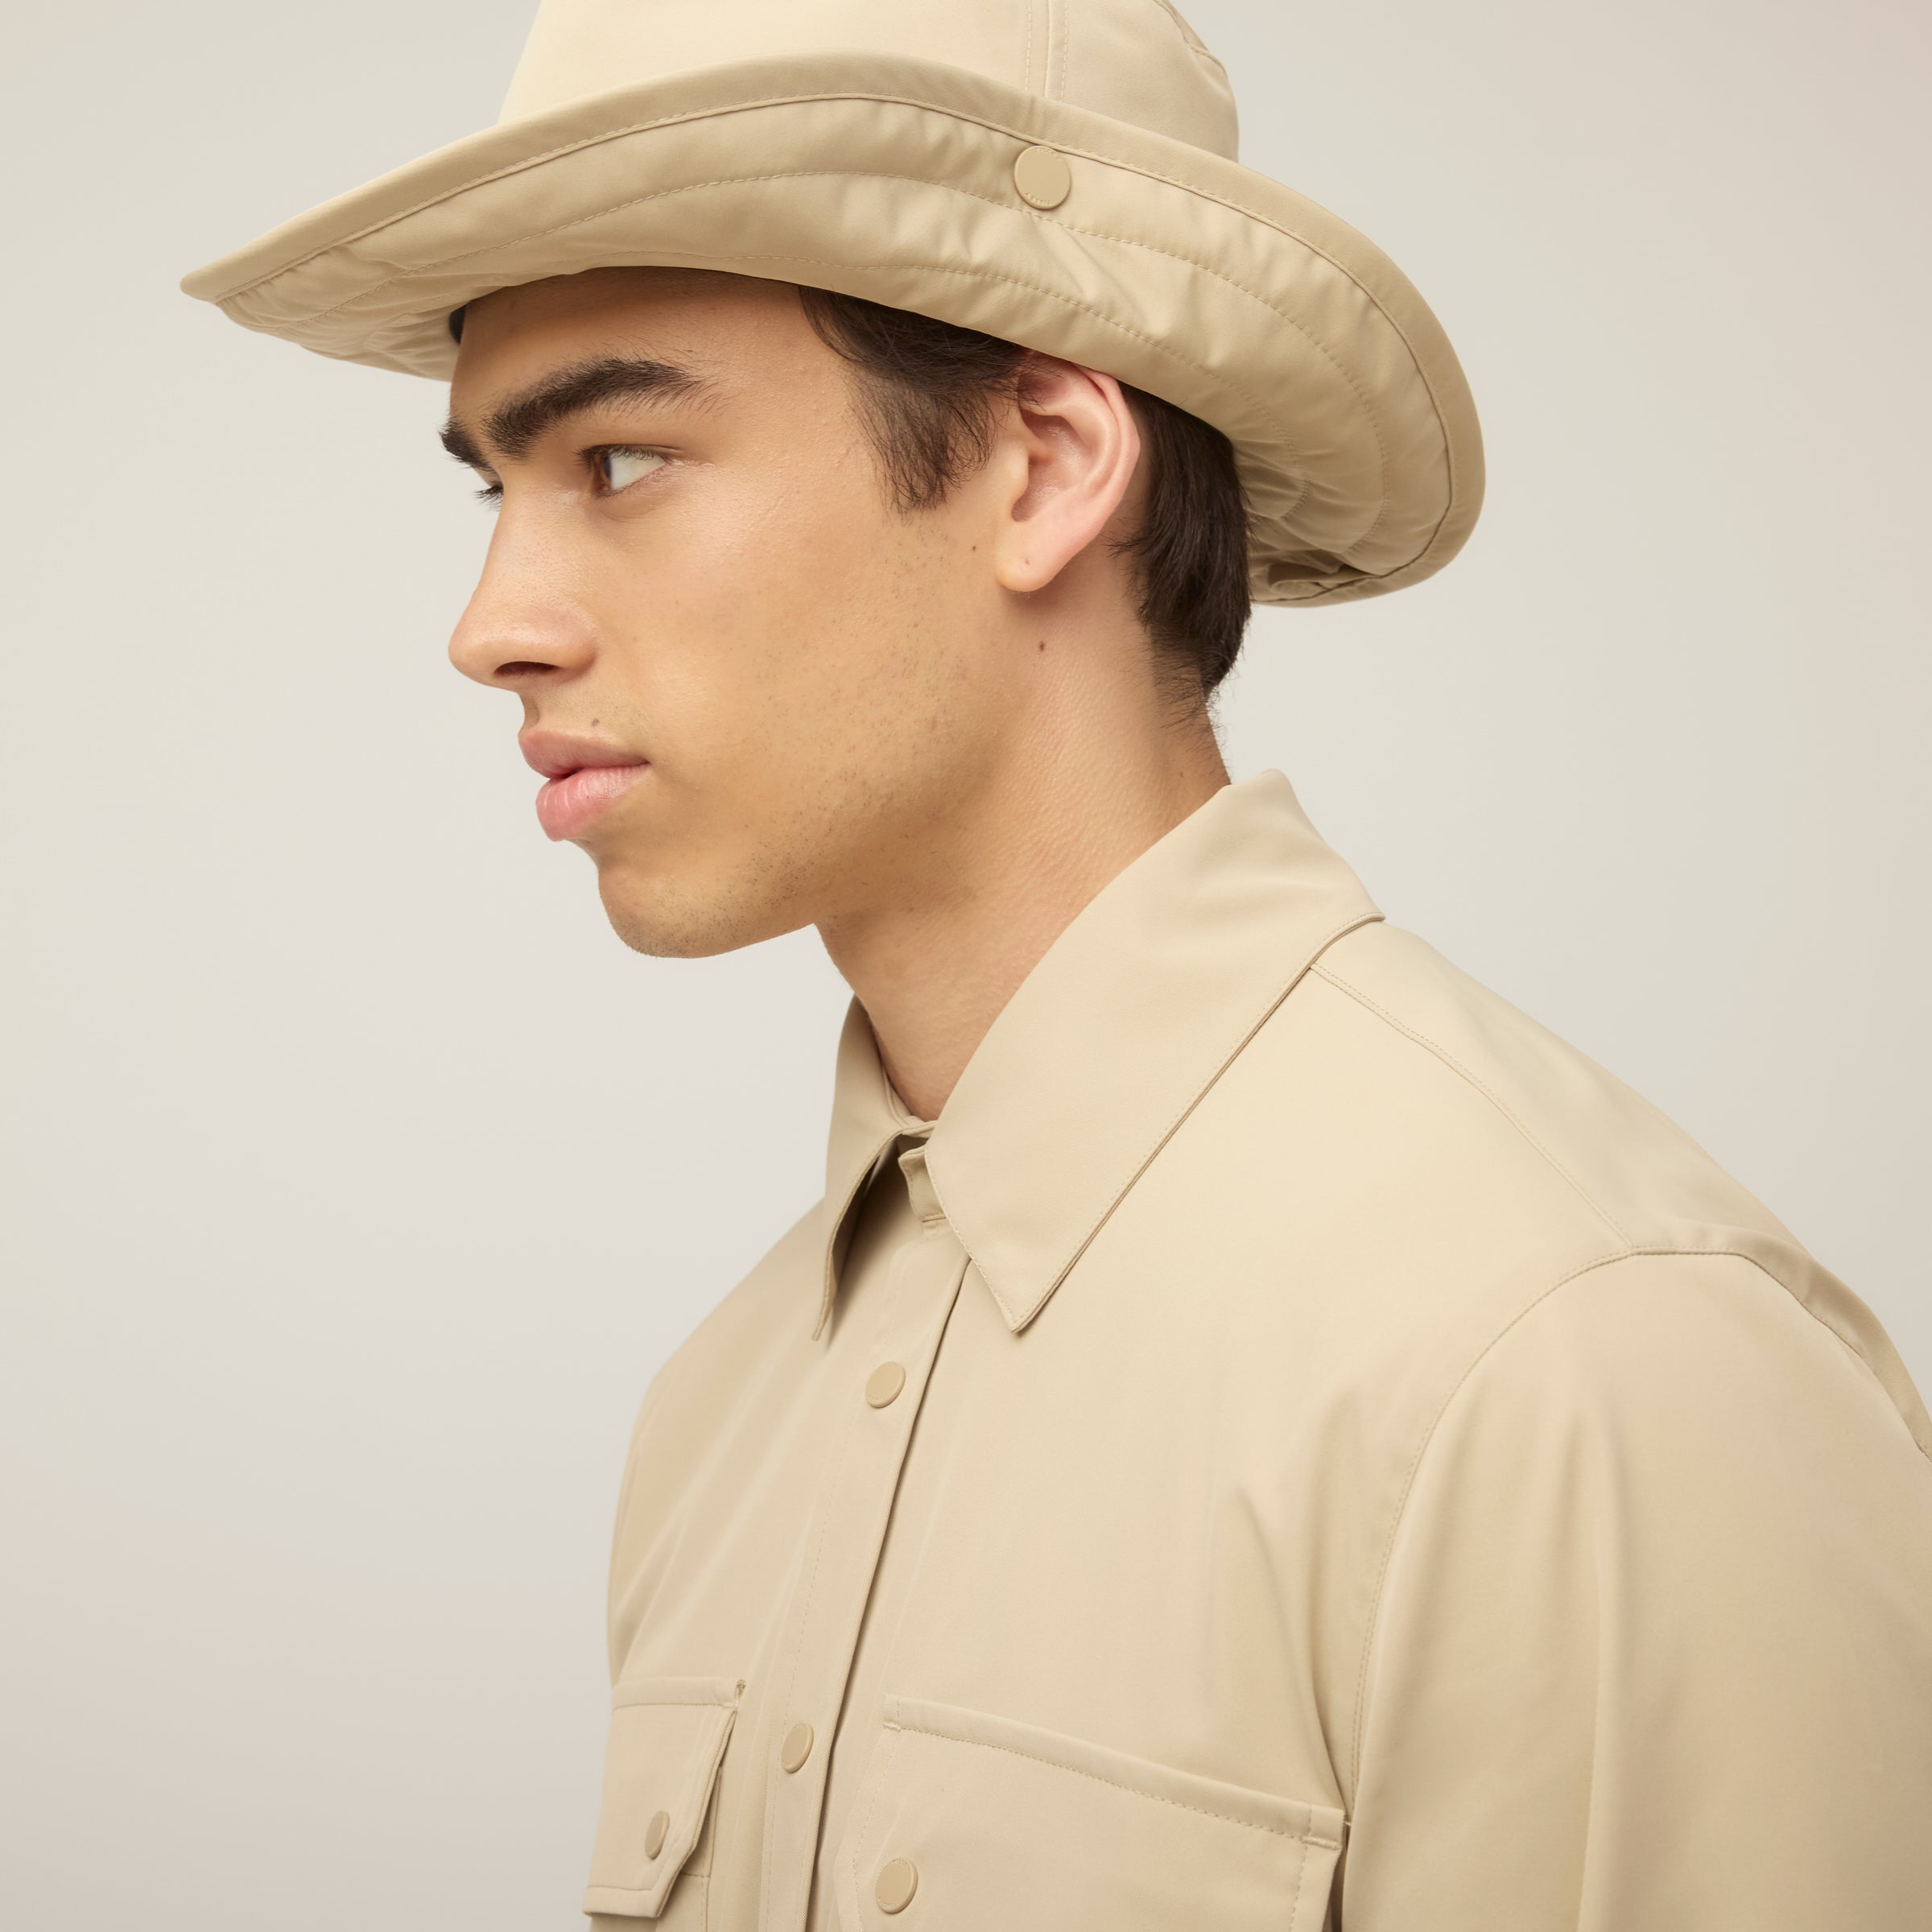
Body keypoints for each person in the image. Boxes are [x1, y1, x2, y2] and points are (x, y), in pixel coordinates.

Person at [183, 2, 1932, 1926]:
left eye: (616, 460)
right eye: (493, 490)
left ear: (1041, 465)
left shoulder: (1575, 1367)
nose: (491, 625)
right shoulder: (729, 1408)